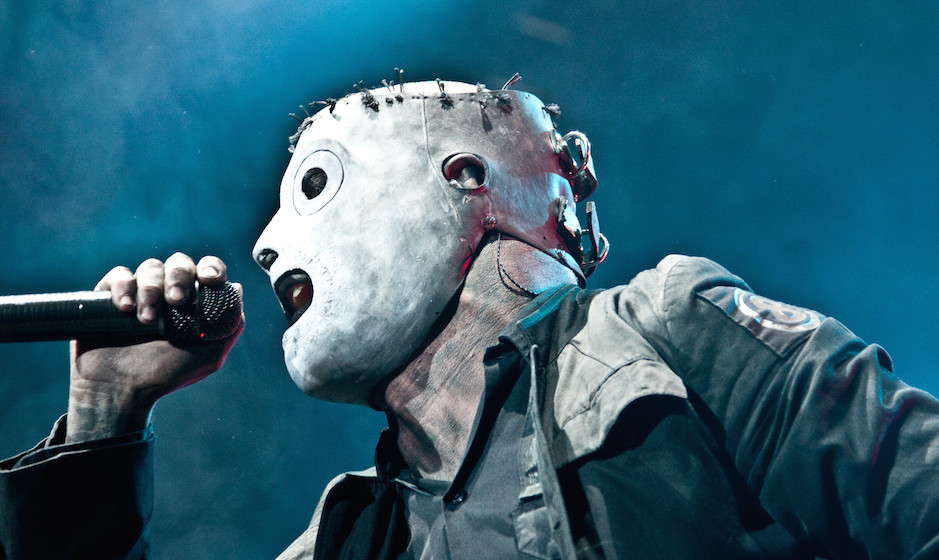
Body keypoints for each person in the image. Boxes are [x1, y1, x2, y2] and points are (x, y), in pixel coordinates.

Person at [2, 78, 938, 559]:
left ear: (467, 182)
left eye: (315, 187)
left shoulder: (669, 335)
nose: (266, 244)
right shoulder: (344, 542)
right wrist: (103, 419)